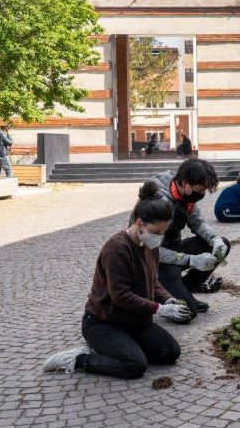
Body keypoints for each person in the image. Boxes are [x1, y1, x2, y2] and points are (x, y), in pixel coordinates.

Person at [42, 181, 191, 378]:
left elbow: (153, 282)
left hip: (134, 320)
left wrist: (168, 299)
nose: (160, 238)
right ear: (139, 223)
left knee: (170, 352)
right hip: (103, 321)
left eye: (163, 232)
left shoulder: (150, 246)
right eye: (157, 232)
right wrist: (160, 309)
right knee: (135, 366)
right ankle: (79, 359)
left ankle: (118, 346)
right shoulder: (117, 248)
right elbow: (121, 296)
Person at [150, 159, 230, 315]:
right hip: (154, 261)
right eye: (200, 190)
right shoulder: (159, 202)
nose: (201, 195)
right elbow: (153, 250)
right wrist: (190, 260)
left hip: (174, 250)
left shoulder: (186, 196)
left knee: (222, 245)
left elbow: (198, 224)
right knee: (187, 313)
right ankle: (157, 289)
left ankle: (183, 289)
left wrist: (215, 238)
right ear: (185, 183)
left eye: (205, 190)